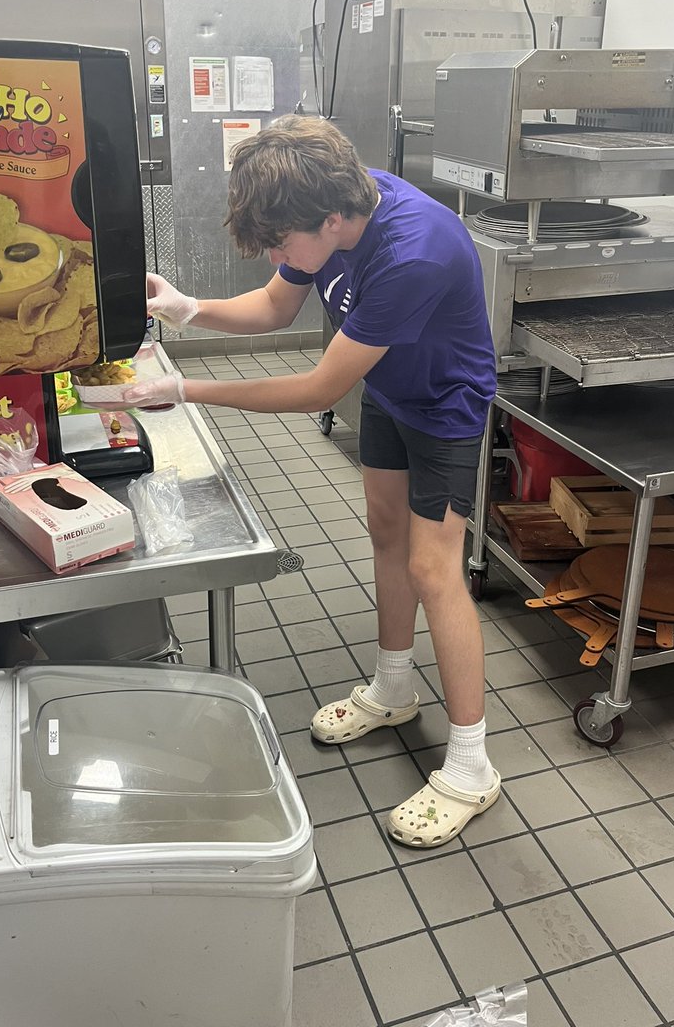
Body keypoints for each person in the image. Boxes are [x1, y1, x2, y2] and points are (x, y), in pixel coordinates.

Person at [136, 116, 499, 848]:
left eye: (281, 243)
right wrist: (188, 308)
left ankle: (471, 767)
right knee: (386, 534)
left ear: (334, 217)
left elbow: (314, 391)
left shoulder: (413, 252)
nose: (277, 255)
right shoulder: (327, 212)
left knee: (435, 570)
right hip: (393, 393)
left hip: (446, 406)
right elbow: (275, 305)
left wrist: (186, 391)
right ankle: (395, 688)